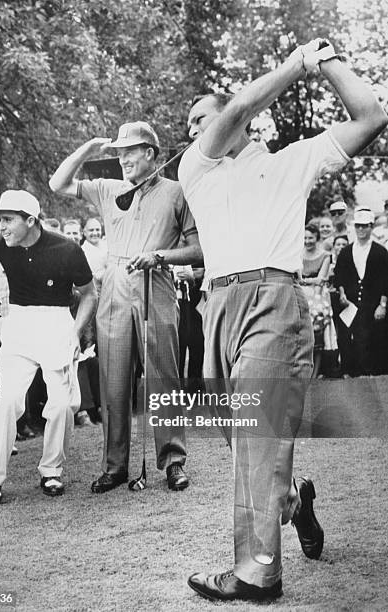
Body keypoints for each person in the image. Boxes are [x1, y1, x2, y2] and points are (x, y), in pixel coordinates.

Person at [177, 38, 387, 602]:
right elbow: (241, 109)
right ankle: (293, 499)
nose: (195, 128)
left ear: (237, 119)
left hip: (275, 303)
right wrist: (295, 65)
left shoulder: (293, 160)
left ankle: (256, 574)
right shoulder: (196, 166)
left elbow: (371, 118)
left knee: (258, 435)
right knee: (240, 440)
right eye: (191, 123)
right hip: (217, 308)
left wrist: (323, 60)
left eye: (202, 117)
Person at [49, 121, 202, 492]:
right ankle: (115, 466)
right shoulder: (107, 189)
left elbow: (199, 250)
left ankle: (173, 461)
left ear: (151, 153)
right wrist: (89, 148)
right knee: (113, 380)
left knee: (163, 376)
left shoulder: (178, 192)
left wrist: (161, 256)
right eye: (118, 152)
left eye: (129, 151)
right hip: (115, 284)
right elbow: (58, 184)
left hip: (157, 282)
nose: (122, 158)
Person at [0, 189, 97, 507]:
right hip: (20, 325)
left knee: (61, 405)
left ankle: (52, 471)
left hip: (57, 324)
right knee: (5, 404)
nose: (1, 226)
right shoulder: (2, 243)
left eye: (7, 220)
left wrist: (74, 333)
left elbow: (89, 294)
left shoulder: (67, 248)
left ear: (30, 221)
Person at [334, 208, 388, 376]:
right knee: (353, 341)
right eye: (358, 226)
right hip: (351, 304)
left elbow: (386, 279)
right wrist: (342, 294)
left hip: (373, 304)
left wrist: (383, 305)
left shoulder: (380, 252)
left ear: (371, 227)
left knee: (375, 340)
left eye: (365, 226)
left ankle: (375, 377)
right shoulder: (346, 251)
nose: (361, 230)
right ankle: (354, 376)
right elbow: (339, 276)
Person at [302, 224, 332, 377]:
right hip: (300, 294)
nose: (307, 241)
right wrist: (307, 282)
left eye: (311, 238)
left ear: (317, 238)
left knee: (317, 333)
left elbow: (321, 280)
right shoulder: (297, 254)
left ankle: (316, 372)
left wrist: (305, 281)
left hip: (317, 296)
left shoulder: (325, 255)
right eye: (305, 238)